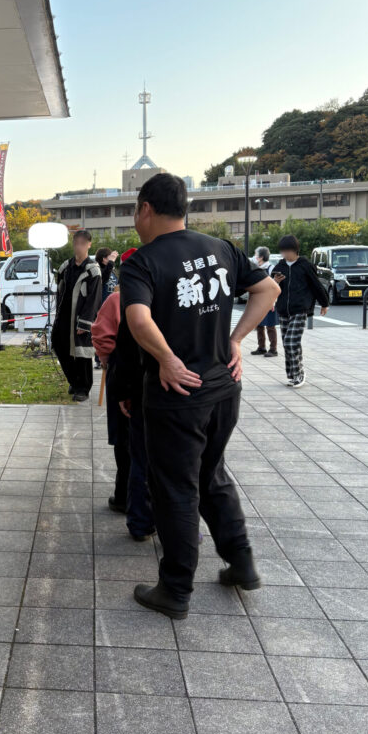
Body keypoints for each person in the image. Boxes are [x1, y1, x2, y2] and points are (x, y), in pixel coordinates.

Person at [119, 173, 280, 619]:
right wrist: (236, 338)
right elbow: (268, 289)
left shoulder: (141, 262)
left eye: (136, 210)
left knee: (174, 488)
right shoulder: (220, 248)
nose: (136, 218)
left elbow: (137, 319)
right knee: (211, 473)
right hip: (224, 389)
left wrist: (167, 359)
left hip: (176, 394)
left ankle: (175, 589)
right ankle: (241, 562)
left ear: (146, 209)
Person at [92, 248, 154, 540]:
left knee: (126, 441)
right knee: (139, 443)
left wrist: (108, 361)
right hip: (147, 375)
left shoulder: (118, 299)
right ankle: (132, 501)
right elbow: (102, 336)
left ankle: (125, 498)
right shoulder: (145, 298)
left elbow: (101, 336)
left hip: (125, 376)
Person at [271, 235, 329, 388]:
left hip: (300, 309)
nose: (285, 254)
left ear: (295, 250)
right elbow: (271, 287)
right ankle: (292, 374)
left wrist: (324, 303)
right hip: (283, 310)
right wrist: (275, 282)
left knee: (291, 342)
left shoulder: (305, 265)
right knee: (288, 343)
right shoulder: (280, 266)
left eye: (287, 250)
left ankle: (299, 373)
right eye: (283, 251)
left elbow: (316, 285)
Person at [51, 230, 102, 401]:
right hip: (64, 316)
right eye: (76, 243)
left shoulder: (93, 270)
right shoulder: (66, 266)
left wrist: (85, 323)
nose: (78, 246)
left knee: (82, 353)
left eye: (82, 243)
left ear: (89, 244)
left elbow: (94, 299)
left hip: (81, 318)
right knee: (59, 345)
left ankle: (83, 389)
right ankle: (74, 380)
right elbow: (59, 290)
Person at [249, 246, 279, 358]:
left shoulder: (272, 269)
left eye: (256, 255)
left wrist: (273, 301)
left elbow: (276, 286)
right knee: (259, 325)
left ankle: (273, 349)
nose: (254, 257)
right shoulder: (256, 268)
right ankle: (261, 347)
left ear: (261, 257)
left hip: (270, 301)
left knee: (270, 326)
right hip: (258, 301)